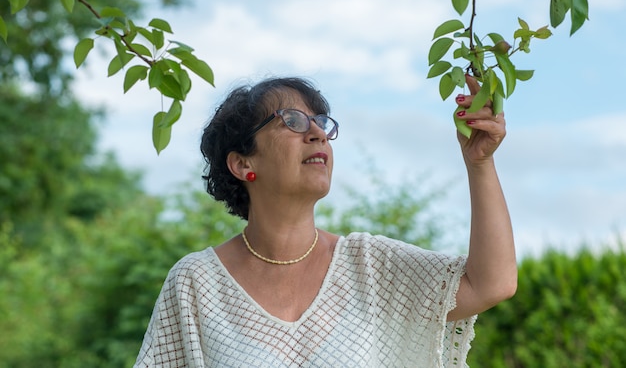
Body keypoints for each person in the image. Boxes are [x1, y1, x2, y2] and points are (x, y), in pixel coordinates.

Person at [134, 76, 517, 367]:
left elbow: (491, 283)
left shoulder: (369, 265)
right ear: (242, 163)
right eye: (293, 121)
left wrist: (479, 163)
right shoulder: (196, 285)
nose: (317, 133)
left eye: (320, 122)